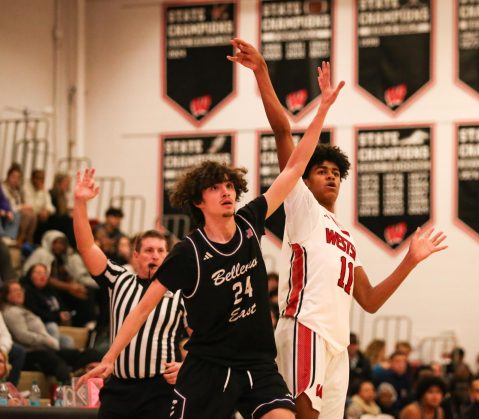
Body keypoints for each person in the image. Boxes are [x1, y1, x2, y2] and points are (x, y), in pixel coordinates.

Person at [77, 59, 344, 419]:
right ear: (198, 201)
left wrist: (323, 109)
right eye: (216, 188)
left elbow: (295, 166)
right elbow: (142, 308)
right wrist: (109, 358)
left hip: (257, 364)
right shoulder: (188, 253)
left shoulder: (251, 220)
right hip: (208, 368)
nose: (227, 192)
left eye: (230, 186)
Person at [229, 37, 447, 419]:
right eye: (321, 171)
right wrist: (263, 73)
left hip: (337, 342)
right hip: (304, 327)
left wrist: (410, 260)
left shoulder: (345, 234)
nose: (330, 177)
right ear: (306, 180)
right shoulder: (302, 206)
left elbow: (371, 301)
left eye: (335, 173)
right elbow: (283, 133)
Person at [71, 170, 188, 419]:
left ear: (167, 256)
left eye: (160, 251)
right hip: (119, 386)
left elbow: (201, 338)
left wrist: (187, 366)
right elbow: (86, 246)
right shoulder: (118, 279)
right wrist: (80, 203)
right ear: (135, 257)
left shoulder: (179, 292)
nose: (154, 255)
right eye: (147, 250)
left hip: (160, 388)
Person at [0, 280, 101, 383]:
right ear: (7, 295)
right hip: (31, 353)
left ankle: (87, 375)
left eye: (20, 290)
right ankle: (69, 386)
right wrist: (46, 340)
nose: (19, 292)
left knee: (90, 353)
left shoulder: (24, 309)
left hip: (45, 349)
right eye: (15, 290)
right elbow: (22, 336)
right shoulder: (11, 312)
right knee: (54, 359)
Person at [21, 263, 75, 349]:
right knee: (52, 326)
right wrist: (57, 317)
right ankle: (55, 359)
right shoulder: (27, 292)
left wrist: (65, 314)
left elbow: (61, 306)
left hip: (54, 324)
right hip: (38, 327)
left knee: (67, 340)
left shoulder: (49, 289)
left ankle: (65, 360)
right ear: (30, 276)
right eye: (38, 273)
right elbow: (37, 313)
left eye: (44, 273)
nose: (42, 276)